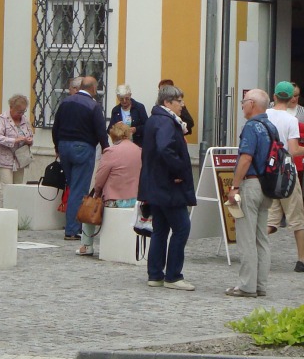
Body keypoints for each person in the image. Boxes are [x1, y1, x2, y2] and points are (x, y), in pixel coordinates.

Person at [138, 84, 196, 291]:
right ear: (167, 102)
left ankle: (155, 274)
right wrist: (178, 172)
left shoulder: (155, 119)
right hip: (168, 186)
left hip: (155, 185)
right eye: (179, 101)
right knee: (181, 228)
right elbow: (165, 149)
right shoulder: (165, 121)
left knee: (160, 230)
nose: (182, 105)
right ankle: (173, 275)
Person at [265, 81, 304, 273]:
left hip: (268, 172)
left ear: (274, 96)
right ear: (290, 99)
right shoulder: (291, 121)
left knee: (271, 220)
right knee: (297, 217)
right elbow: (294, 150)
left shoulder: (264, 116)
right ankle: (302, 259)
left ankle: (254, 250)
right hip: (286, 172)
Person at [224, 89, 274, 297]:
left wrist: (234, 186)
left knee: (246, 238)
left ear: (252, 104)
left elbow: (245, 158)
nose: (242, 105)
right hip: (267, 186)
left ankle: (246, 286)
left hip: (251, 184)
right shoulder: (271, 127)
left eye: (244, 102)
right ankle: (260, 284)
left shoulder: (252, 127)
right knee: (261, 237)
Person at [52, 76, 109, 241]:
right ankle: (72, 229)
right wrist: (106, 149)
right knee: (78, 189)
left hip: (64, 147)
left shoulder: (65, 102)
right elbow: (100, 131)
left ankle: (72, 224)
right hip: (82, 148)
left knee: (72, 185)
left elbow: (56, 127)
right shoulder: (93, 106)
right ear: (92, 88)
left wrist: (57, 146)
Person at [76, 122, 142, 257]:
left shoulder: (111, 152)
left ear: (113, 136)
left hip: (115, 199)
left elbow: (100, 178)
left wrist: (97, 193)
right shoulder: (139, 151)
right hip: (135, 199)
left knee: (89, 208)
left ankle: (87, 246)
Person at [0, 94, 34, 206]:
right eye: (19, 111)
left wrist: (29, 140)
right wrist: (14, 140)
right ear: (11, 107)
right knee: (6, 188)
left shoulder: (25, 120)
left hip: (20, 160)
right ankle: (4, 213)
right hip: (3, 159)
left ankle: (16, 214)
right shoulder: (2, 119)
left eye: (23, 111)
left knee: (18, 187)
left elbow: (30, 135)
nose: (21, 114)